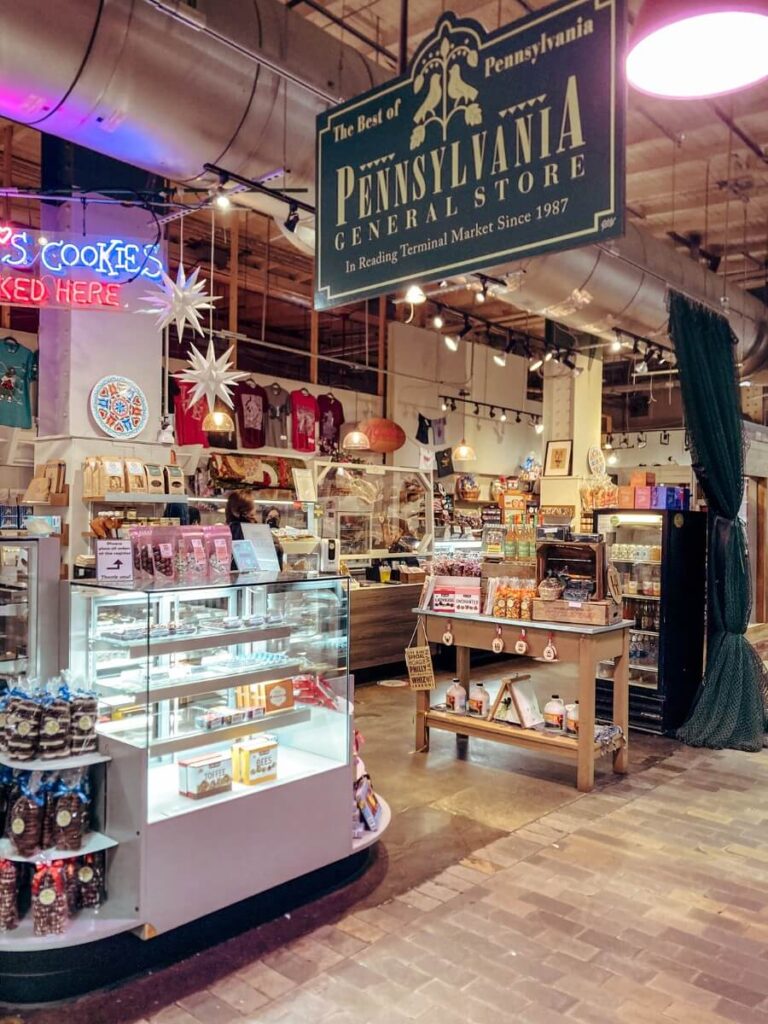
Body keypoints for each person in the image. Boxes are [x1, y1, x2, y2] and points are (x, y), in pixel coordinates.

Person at [225, 488, 284, 569]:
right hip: (255, 577)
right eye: (253, 504)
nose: (255, 508)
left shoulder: (229, 530)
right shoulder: (249, 530)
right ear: (245, 511)